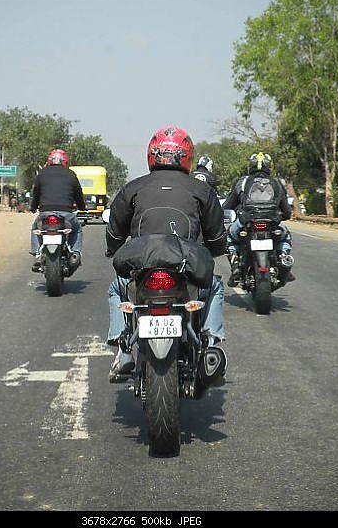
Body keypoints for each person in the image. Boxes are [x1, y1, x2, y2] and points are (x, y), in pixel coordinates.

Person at [105, 126, 227, 381]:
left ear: (152, 155)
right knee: (214, 286)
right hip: (186, 267)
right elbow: (216, 239)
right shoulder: (202, 190)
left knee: (117, 288)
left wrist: (114, 249)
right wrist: (213, 250)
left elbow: (115, 232)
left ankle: (123, 351)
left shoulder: (133, 187)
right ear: (186, 156)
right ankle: (212, 343)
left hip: (142, 267)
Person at [223, 152, 294, 287]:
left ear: (250, 166)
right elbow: (287, 211)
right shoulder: (276, 183)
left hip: (246, 222)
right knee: (285, 237)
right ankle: (284, 257)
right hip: (272, 223)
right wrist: (280, 216)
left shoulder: (242, 182)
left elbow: (228, 206)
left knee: (229, 238)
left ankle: (235, 264)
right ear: (269, 167)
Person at [28, 148, 86, 273]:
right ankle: (75, 253)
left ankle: (37, 253)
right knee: (77, 230)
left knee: (35, 229)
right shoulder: (71, 174)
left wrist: (33, 207)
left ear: (50, 161)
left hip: (45, 212)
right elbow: (78, 193)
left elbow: (36, 193)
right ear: (65, 161)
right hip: (66, 213)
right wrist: (82, 207)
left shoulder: (42, 174)